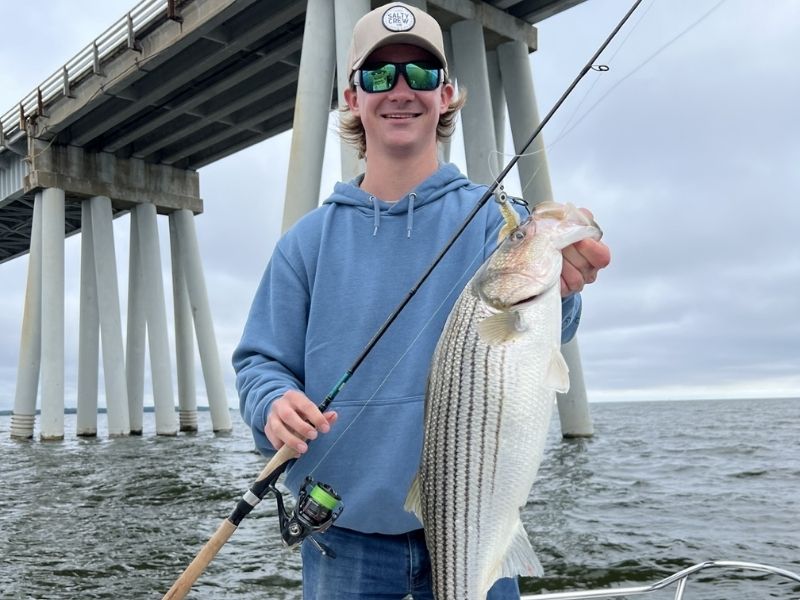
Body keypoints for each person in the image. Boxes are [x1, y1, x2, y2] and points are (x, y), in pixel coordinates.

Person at [234, 3, 610, 598]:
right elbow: (258, 362)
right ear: (352, 98)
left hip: (480, 520)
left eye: (422, 74)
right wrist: (274, 402)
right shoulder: (305, 243)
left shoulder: (496, 222)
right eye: (380, 75)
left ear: (448, 94)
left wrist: (563, 285)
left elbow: (544, 333)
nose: (401, 90)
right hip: (344, 538)